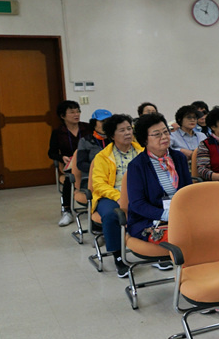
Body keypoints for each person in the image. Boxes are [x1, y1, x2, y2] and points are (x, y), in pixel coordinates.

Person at [127, 112, 192, 267]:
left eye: (165, 132)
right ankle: (188, 278)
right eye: (156, 134)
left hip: (181, 216)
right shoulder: (137, 166)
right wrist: (167, 214)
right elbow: (137, 204)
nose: (164, 137)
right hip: (150, 220)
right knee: (186, 237)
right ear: (144, 140)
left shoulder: (179, 158)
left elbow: (188, 192)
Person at [91, 114, 143, 277]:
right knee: (113, 216)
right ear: (112, 135)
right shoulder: (103, 156)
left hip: (139, 193)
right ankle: (119, 257)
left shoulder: (142, 151)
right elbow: (98, 184)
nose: (128, 133)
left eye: (129, 129)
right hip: (112, 195)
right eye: (122, 130)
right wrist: (118, 196)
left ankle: (156, 252)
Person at [48, 99, 90, 226]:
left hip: (88, 162)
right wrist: (62, 158)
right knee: (69, 179)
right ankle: (67, 210)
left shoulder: (87, 128)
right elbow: (51, 153)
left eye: (78, 111)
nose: (76, 114)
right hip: (70, 165)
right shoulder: (58, 132)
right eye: (72, 112)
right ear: (62, 115)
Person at [76, 108, 112, 175]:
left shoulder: (115, 139)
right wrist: (100, 168)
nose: (106, 124)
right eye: (102, 121)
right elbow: (81, 164)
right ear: (94, 123)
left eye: (109, 121)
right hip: (93, 176)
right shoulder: (85, 141)